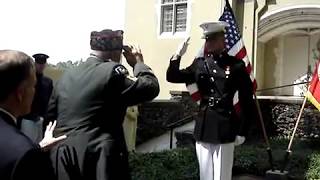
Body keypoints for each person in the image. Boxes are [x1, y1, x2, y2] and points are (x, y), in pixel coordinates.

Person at [47, 29, 159, 180]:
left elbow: (50, 119)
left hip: (64, 156)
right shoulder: (112, 72)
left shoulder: (66, 76)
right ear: (115, 53)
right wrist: (138, 64)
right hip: (99, 158)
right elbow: (150, 88)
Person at [166, 21, 256, 180]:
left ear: (222, 40)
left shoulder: (236, 65)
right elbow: (172, 77)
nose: (209, 43)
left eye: (213, 39)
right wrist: (177, 55)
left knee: (222, 176)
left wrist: (243, 131)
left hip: (225, 127)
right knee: (205, 176)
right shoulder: (200, 65)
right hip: (204, 126)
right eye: (207, 40)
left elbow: (247, 100)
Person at [0, 50, 66, 180]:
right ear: (20, 94)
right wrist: (33, 152)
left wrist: (39, 147)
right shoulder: (26, 155)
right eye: (33, 86)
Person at [20, 53, 53, 143]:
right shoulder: (27, 79)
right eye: (39, 63)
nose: (41, 66)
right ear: (35, 64)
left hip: (41, 119)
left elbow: (49, 101)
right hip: (28, 119)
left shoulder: (48, 82)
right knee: (28, 144)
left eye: (42, 63)